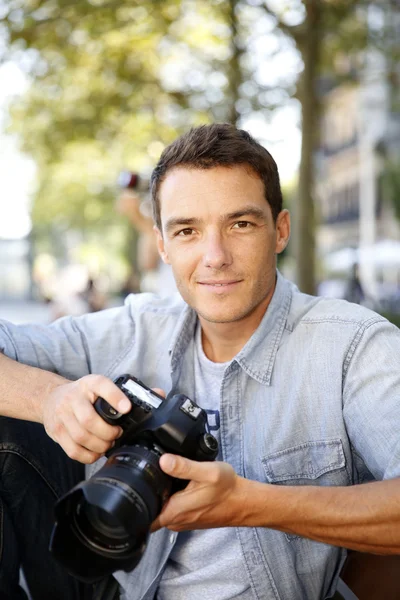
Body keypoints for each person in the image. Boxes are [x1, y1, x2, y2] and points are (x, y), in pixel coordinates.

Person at [0, 123, 400, 600]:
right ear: (163, 244)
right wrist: (51, 398)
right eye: (188, 231)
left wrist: (252, 505)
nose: (215, 257)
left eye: (240, 224)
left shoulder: (354, 346)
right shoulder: (135, 329)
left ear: (281, 231)